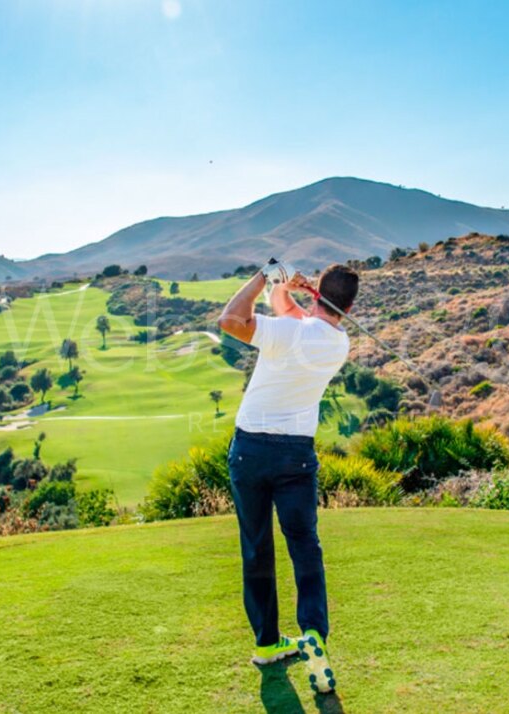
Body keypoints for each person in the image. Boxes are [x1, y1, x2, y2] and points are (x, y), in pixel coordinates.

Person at [217, 260, 360, 695]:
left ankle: (266, 643)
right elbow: (291, 314)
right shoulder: (338, 343)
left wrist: (266, 276)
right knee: (304, 546)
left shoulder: (288, 333)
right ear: (350, 307)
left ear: (317, 294)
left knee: (256, 546)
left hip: (251, 451)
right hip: (296, 456)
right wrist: (286, 287)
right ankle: (313, 632)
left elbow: (230, 320)